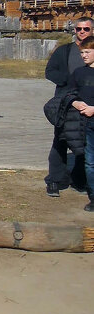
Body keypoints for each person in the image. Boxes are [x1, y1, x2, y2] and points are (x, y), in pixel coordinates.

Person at [44, 16, 92, 198]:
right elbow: (50, 72)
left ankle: (80, 179)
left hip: (88, 105)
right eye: (79, 28)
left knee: (86, 144)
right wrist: (67, 81)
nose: (82, 32)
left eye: (86, 29)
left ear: (91, 30)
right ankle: (56, 179)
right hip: (65, 104)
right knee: (60, 141)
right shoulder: (64, 51)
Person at [70, 35, 94, 212]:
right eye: (82, 52)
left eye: (88, 52)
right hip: (87, 125)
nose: (84, 55)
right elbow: (70, 93)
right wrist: (75, 102)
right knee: (90, 162)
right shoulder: (79, 73)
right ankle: (93, 196)